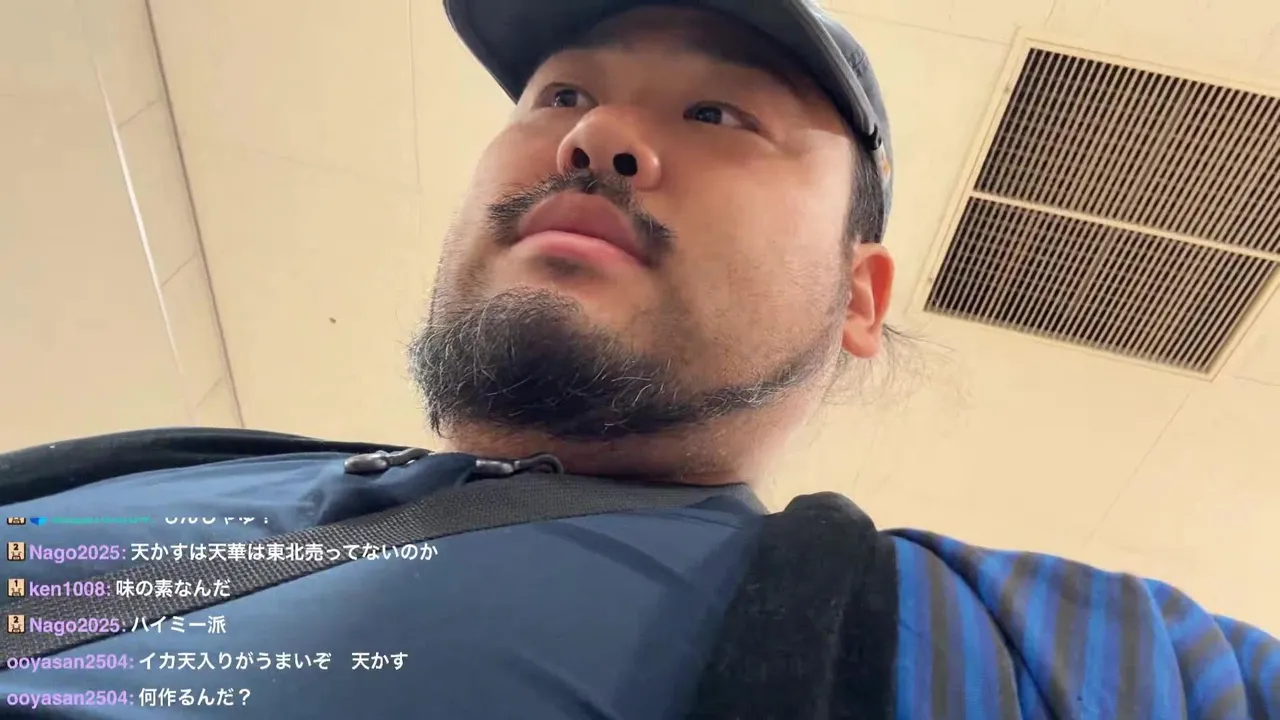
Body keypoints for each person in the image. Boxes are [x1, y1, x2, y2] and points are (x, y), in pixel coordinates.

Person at [0, 1, 1276, 718]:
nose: (596, 136)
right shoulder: (128, 481)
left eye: (717, 113)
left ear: (857, 296)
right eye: (559, 96)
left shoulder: (1027, 659)